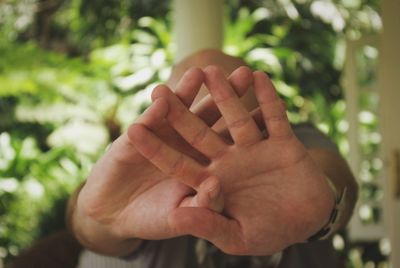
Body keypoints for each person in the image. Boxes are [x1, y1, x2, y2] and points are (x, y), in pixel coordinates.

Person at [67, 49, 358, 268]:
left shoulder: (294, 145)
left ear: (260, 119)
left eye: (231, 136)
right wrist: (99, 217)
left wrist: (324, 205)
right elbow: (93, 229)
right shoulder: (154, 170)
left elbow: (333, 176)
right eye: (189, 134)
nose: (213, 158)